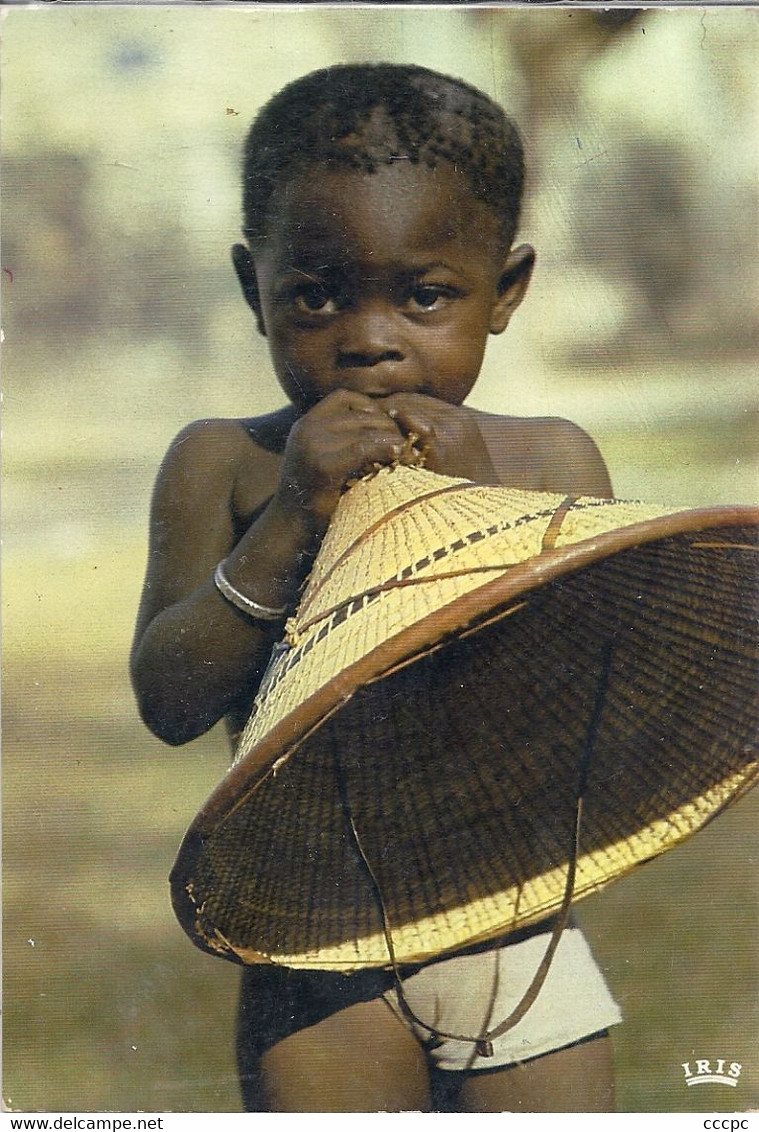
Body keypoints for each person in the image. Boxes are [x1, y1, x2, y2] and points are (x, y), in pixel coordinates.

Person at [130, 63, 622, 1113]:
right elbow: (170, 702)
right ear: (249, 285)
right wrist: (292, 518)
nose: (367, 338)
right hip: (315, 943)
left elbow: (584, 726)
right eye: (313, 293)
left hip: (515, 923)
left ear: (507, 291)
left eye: (425, 295)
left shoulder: (549, 462)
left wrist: (479, 508)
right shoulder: (225, 464)